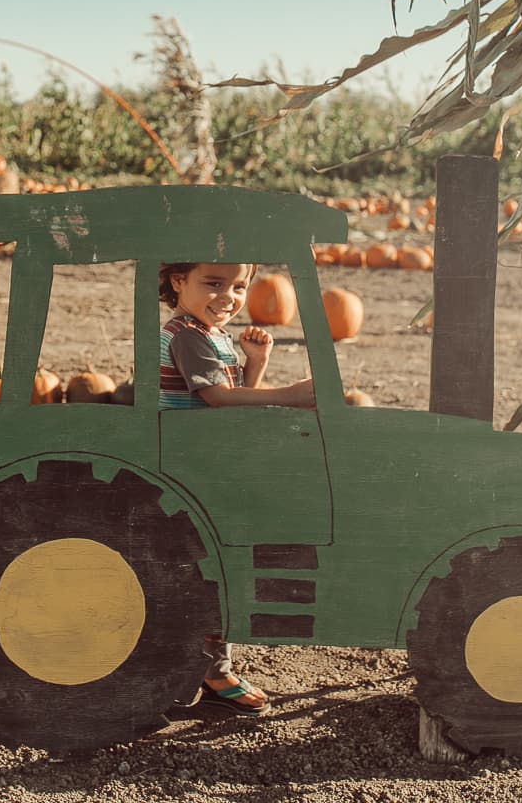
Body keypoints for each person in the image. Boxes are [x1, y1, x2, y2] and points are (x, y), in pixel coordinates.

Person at [157, 261, 316, 717]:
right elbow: (217, 400)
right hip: (190, 469)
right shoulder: (186, 335)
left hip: (208, 460)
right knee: (218, 564)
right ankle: (212, 669)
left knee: (219, 565)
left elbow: (232, 401)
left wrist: (255, 365)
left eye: (239, 286)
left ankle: (205, 663)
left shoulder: (211, 333)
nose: (228, 296)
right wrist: (289, 395)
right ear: (178, 281)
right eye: (214, 283)